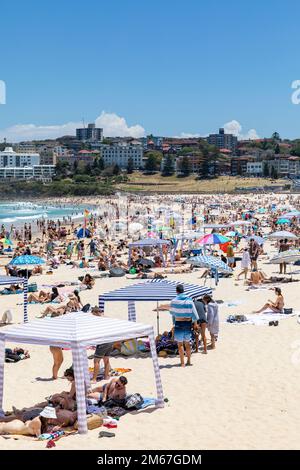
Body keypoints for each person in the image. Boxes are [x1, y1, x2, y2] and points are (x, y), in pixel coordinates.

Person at [169, 284, 199, 367]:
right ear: (183, 290)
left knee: (180, 345)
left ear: (176, 291)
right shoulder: (189, 300)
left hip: (178, 323)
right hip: (188, 323)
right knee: (187, 344)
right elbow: (195, 314)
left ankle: (182, 363)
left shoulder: (174, 301)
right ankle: (188, 361)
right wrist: (195, 324)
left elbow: (172, 313)